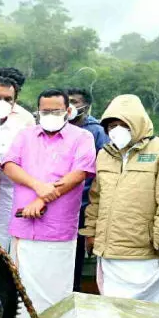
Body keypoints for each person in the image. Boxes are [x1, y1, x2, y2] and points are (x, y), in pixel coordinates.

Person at [79, 95, 159, 303]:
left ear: (137, 122)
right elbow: (96, 200)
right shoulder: (105, 154)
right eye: (111, 125)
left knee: (148, 314)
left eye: (123, 124)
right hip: (109, 252)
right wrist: (90, 233)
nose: (116, 130)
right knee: (113, 310)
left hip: (146, 253)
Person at [2, 89, 96, 316]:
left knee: (55, 294)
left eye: (56, 111)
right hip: (23, 228)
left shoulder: (82, 137)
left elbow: (79, 174)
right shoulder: (25, 136)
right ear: (38, 112)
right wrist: (38, 187)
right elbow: (9, 165)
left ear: (68, 111)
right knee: (21, 293)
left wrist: (42, 200)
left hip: (58, 230)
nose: (50, 115)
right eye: (45, 111)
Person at [66, 87, 110, 292]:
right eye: (67, 102)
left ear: (86, 106)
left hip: (84, 202)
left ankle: (73, 289)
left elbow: (102, 169)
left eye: (74, 102)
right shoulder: (59, 128)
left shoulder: (97, 131)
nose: (70, 106)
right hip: (60, 200)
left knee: (76, 252)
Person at [0, 75, 29, 251]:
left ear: (14, 102)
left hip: (6, 201)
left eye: (8, 99)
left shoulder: (22, 130)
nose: (2, 102)